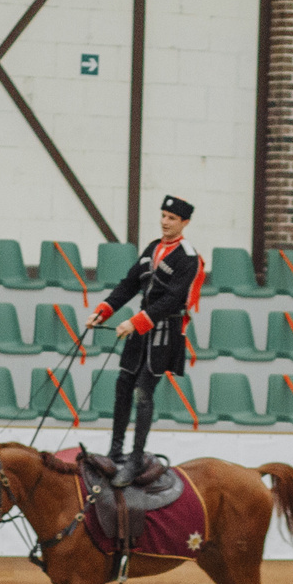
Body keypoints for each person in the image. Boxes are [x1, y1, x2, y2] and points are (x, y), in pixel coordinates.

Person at [90, 196, 202, 486]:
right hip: (141, 330)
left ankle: (136, 458)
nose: (165, 221)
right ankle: (115, 452)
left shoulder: (188, 257)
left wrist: (135, 322)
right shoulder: (153, 247)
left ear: (184, 222)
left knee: (143, 392)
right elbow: (130, 283)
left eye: (172, 218)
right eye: (163, 215)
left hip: (164, 332)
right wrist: (104, 310)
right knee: (122, 385)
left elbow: (173, 298)